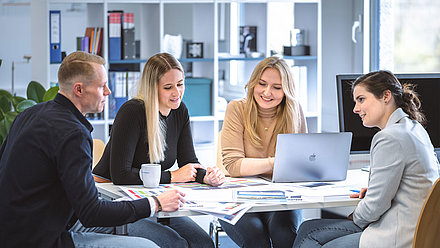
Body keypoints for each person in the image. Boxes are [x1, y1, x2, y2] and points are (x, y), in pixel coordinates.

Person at [0, 51, 187, 248]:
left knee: (168, 240)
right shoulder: (73, 134)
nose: (108, 91)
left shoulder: (29, 114)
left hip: (27, 225)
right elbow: (91, 213)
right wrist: (155, 203)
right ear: (79, 90)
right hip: (40, 238)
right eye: (101, 86)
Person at [293, 70, 440, 248]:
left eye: (361, 99)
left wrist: (354, 216)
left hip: (398, 235)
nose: (355, 108)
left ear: (386, 96)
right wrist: (373, 191)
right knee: (308, 228)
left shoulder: (389, 137)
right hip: (418, 229)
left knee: (312, 236)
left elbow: (375, 206)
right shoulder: (414, 127)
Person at [92, 52, 225, 248]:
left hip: (157, 199)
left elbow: (189, 161)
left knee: (203, 243)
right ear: (152, 88)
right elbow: (121, 175)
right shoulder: (132, 112)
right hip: (117, 200)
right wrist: (172, 177)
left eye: (180, 84)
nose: (177, 93)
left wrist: (206, 177)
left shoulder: (180, 111)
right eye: (168, 87)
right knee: (175, 244)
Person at [219, 56, 307, 248]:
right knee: (257, 240)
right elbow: (233, 166)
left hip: (280, 197)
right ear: (253, 84)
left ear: (286, 90)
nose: (267, 92)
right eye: (262, 84)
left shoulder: (294, 110)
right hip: (237, 198)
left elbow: (299, 164)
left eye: (277, 87)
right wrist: (276, 162)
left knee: (285, 236)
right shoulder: (236, 109)